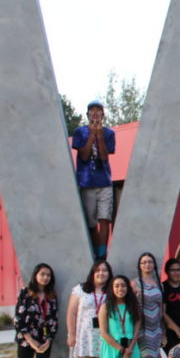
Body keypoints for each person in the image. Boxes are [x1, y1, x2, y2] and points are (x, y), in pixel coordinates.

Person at [71, 100, 115, 260]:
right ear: (87, 114)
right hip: (86, 182)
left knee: (105, 219)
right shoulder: (79, 132)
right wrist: (92, 134)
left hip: (104, 181)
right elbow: (83, 155)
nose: (95, 113)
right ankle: (96, 251)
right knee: (91, 221)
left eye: (99, 110)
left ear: (103, 114)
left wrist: (99, 136)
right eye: (92, 110)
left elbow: (104, 156)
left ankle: (102, 253)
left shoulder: (109, 133)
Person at [11, 262, 59, 358]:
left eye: (48, 275)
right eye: (42, 274)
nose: (45, 278)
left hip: (44, 341)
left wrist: (49, 340)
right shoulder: (25, 293)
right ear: (35, 275)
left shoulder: (51, 296)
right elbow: (18, 318)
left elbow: (53, 319)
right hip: (27, 341)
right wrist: (31, 341)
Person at [66, 259, 113, 358]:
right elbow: (71, 313)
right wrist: (71, 334)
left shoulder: (112, 291)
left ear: (109, 273)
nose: (101, 273)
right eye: (98, 270)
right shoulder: (81, 290)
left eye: (104, 270)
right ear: (92, 273)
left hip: (104, 337)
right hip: (84, 337)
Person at [97, 275, 145, 358]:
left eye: (123, 285)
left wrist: (128, 350)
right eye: (116, 286)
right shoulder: (106, 307)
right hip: (112, 347)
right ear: (111, 289)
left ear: (128, 288)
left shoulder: (134, 306)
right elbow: (103, 332)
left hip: (131, 347)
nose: (120, 289)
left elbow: (136, 331)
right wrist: (121, 349)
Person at [131, 252, 164, 358]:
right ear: (139, 265)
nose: (147, 265)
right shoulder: (134, 284)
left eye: (150, 262)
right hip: (142, 330)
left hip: (155, 329)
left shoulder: (159, 284)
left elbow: (161, 308)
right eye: (143, 262)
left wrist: (162, 330)